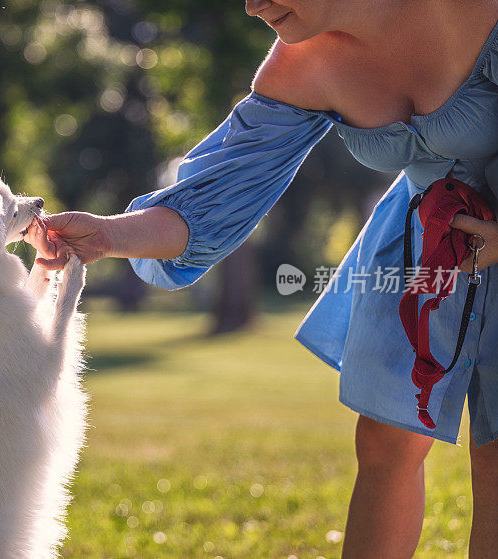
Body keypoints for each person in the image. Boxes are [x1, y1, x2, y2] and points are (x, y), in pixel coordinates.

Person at [25, 1, 498, 557]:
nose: (253, 6)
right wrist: (108, 234)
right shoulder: (300, 62)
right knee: (386, 441)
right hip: (420, 249)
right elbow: (208, 203)